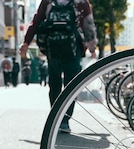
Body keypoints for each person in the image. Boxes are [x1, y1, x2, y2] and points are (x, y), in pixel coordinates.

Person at [19, 0, 97, 132]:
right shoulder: (81, 2)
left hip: (53, 48)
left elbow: (36, 21)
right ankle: (64, 121)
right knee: (71, 86)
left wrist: (26, 42)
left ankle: (55, 118)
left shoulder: (48, 1)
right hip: (73, 49)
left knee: (54, 84)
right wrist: (92, 47)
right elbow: (88, 24)